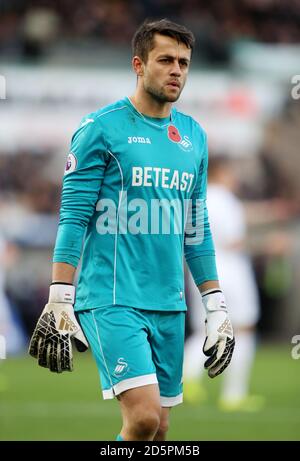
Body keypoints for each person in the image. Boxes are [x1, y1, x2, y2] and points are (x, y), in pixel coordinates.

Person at [29, 19, 235, 441]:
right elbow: (73, 216)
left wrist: (215, 306)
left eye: (184, 62)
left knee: (158, 429)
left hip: (169, 303)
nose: (177, 70)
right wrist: (60, 296)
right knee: (141, 419)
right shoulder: (100, 129)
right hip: (112, 297)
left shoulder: (193, 136)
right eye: (165, 60)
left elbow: (196, 229)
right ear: (138, 65)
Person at [184, 156, 263, 411]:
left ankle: (185, 379)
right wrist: (268, 245)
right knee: (244, 328)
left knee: (206, 330)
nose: (235, 177)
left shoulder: (198, 200)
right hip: (231, 270)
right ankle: (234, 395)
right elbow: (233, 240)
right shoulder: (227, 201)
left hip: (202, 272)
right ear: (221, 171)